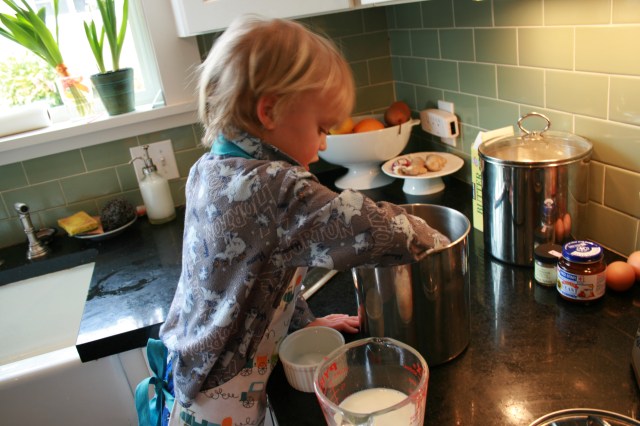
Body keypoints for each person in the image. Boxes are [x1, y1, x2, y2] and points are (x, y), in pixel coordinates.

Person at [160, 15, 450, 426]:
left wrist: (304, 323)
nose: (323, 144)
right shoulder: (275, 187)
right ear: (269, 111)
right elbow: (368, 229)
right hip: (219, 402)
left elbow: (259, 270)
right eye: (320, 127)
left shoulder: (209, 169)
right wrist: (437, 240)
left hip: (192, 375)